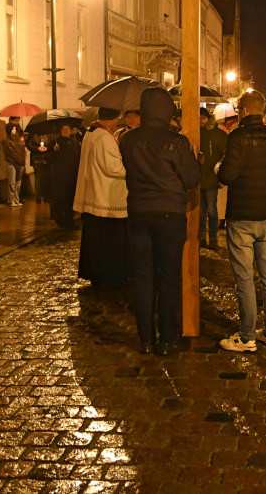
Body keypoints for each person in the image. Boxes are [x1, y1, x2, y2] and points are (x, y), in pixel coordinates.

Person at [120, 87, 201, 356]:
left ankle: (145, 339)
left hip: (139, 213)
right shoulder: (176, 142)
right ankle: (167, 338)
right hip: (169, 214)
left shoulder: (128, 140)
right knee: (168, 278)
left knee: (143, 278)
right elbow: (191, 180)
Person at [216, 90, 266, 353]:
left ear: (245, 111)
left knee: (245, 278)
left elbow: (228, 174)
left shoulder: (237, 136)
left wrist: (216, 168)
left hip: (242, 217)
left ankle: (247, 335)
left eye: (238, 110)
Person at [74, 107, 128, 288]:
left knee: (95, 241)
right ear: (112, 118)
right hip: (105, 200)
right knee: (108, 242)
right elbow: (112, 168)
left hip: (93, 195)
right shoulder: (104, 137)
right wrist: (131, 168)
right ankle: (108, 276)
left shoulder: (92, 133)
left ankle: (95, 273)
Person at [199, 107, 227, 249]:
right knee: (200, 211)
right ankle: (202, 237)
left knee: (212, 210)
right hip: (198, 178)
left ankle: (213, 237)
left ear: (207, 118)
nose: (200, 121)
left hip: (211, 178)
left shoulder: (218, 135)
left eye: (202, 118)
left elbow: (225, 155)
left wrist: (221, 174)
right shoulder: (196, 133)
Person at [51, 125, 81, 229]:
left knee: (70, 199)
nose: (65, 131)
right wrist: (54, 151)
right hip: (60, 176)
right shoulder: (56, 143)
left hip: (72, 175)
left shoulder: (75, 143)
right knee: (60, 199)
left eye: (67, 129)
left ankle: (69, 220)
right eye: (63, 129)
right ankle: (60, 219)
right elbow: (50, 158)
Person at [2, 123, 26, 207]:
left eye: (15, 129)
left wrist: (22, 143)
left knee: (18, 183)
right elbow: (11, 153)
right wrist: (20, 160)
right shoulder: (7, 141)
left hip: (19, 163)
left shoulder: (18, 139)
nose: (14, 131)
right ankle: (11, 200)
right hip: (12, 162)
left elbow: (22, 151)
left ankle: (16, 199)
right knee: (12, 182)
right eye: (13, 129)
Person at [26, 133, 53, 204]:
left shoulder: (48, 134)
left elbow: (51, 144)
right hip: (36, 159)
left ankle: (46, 196)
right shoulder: (33, 134)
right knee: (38, 178)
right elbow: (29, 145)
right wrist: (37, 148)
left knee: (47, 178)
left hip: (46, 159)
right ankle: (38, 196)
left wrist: (47, 148)